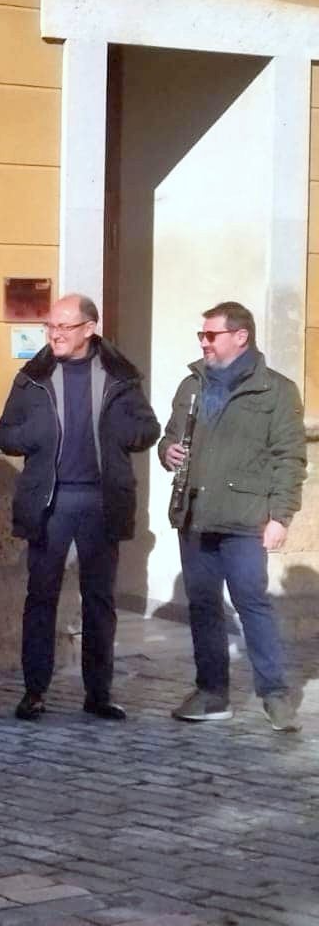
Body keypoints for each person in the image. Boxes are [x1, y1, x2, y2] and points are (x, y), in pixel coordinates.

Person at [0, 295, 159, 723]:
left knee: (99, 600)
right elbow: (5, 435)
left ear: (89, 328)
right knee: (41, 597)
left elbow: (149, 430)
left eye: (64, 327)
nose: (55, 334)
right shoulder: (33, 377)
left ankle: (98, 693)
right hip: (50, 502)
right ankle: (34, 692)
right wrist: (33, 434)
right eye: (50, 326)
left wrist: (123, 431)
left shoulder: (119, 375)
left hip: (101, 501)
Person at [159, 301, 304, 730]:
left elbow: (289, 458)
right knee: (203, 606)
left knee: (251, 604)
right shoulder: (192, 385)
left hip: (245, 518)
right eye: (201, 335)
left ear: (241, 336)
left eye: (211, 335)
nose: (203, 342)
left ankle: (274, 694)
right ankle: (211, 693)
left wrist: (280, 516)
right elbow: (170, 436)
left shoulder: (275, 390)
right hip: (195, 514)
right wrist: (168, 452)